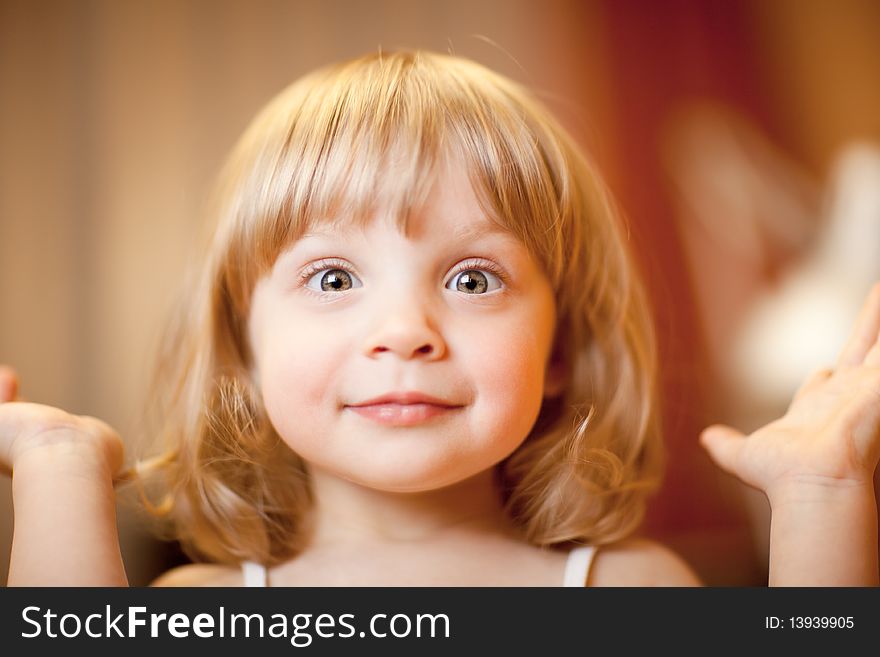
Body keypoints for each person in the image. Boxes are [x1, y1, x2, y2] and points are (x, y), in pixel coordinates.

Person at [1, 51, 878, 587]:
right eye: (335, 275)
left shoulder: (631, 591)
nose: (405, 329)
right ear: (243, 351)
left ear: (562, 346)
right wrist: (58, 475)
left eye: (471, 278)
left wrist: (822, 495)